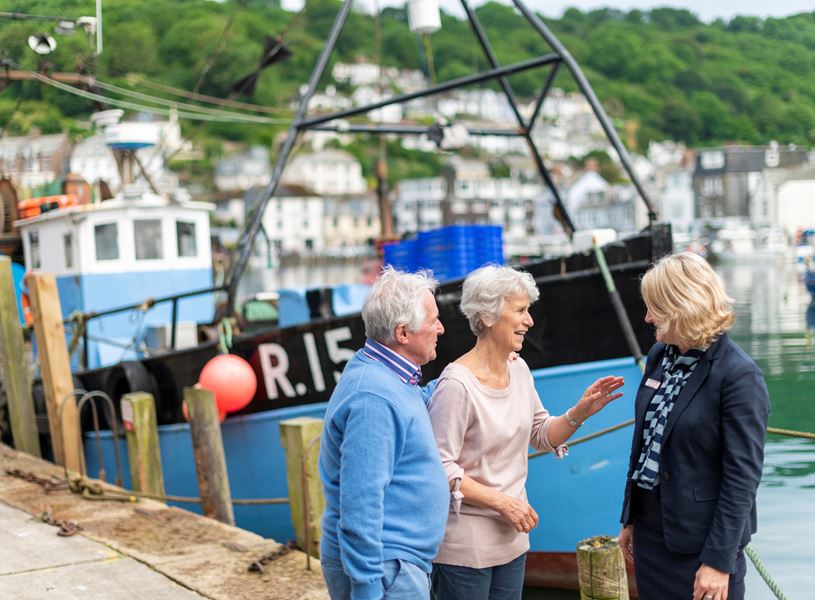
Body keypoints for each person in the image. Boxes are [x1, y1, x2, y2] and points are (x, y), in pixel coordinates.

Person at [427, 265, 625, 599]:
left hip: (514, 541)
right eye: (520, 310)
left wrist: (580, 412)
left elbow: (542, 433)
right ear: (488, 317)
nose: (529, 320)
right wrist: (502, 502)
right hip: (465, 550)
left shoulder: (519, 369)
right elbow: (439, 467)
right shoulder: (456, 385)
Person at [618, 253, 770, 600]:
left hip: (703, 546)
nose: (647, 317)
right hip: (653, 537)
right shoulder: (660, 356)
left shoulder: (738, 375)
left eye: (655, 307)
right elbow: (643, 443)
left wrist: (718, 563)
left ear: (682, 306)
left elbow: (741, 479)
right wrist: (630, 519)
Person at [318, 267, 449, 600]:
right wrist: (367, 589)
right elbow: (360, 505)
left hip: (396, 563)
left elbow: (409, 405)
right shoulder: (373, 399)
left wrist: (463, 377)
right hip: (385, 569)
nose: (441, 328)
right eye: (433, 320)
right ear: (403, 333)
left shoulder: (385, 374)